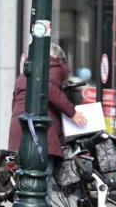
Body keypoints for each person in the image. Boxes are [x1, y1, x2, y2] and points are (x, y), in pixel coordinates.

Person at [8, 43, 87, 187]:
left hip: (18, 133)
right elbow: (50, 88)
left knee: (24, 184)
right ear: (59, 59)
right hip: (39, 136)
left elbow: (14, 105)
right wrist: (73, 113)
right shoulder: (52, 67)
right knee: (43, 183)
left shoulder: (24, 74)